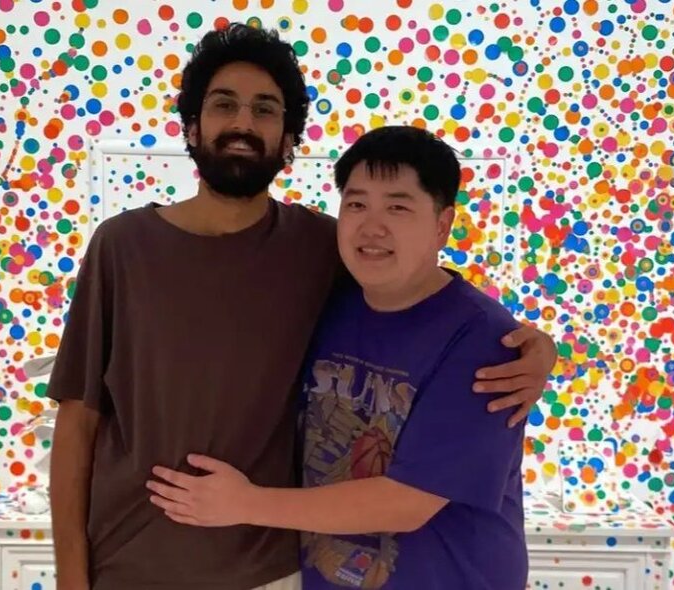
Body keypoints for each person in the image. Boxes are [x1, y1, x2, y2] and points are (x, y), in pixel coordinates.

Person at [48, 24, 554, 590]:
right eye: (224, 105)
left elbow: (422, 288)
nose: (243, 123)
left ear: (288, 141)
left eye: (265, 110)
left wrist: (539, 349)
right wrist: (71, 572)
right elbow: (78, 419)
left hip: (274, 571)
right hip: (129, 564)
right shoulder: (122, 246)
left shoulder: (319, 249)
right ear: (192, 126)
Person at [146, 126, 531, 589]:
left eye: (397, 206)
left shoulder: (485, 341)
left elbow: (407, 502)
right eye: (356, 203)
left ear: (442, 225)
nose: (372, 225)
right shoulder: (326, 302)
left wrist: (244, 504)